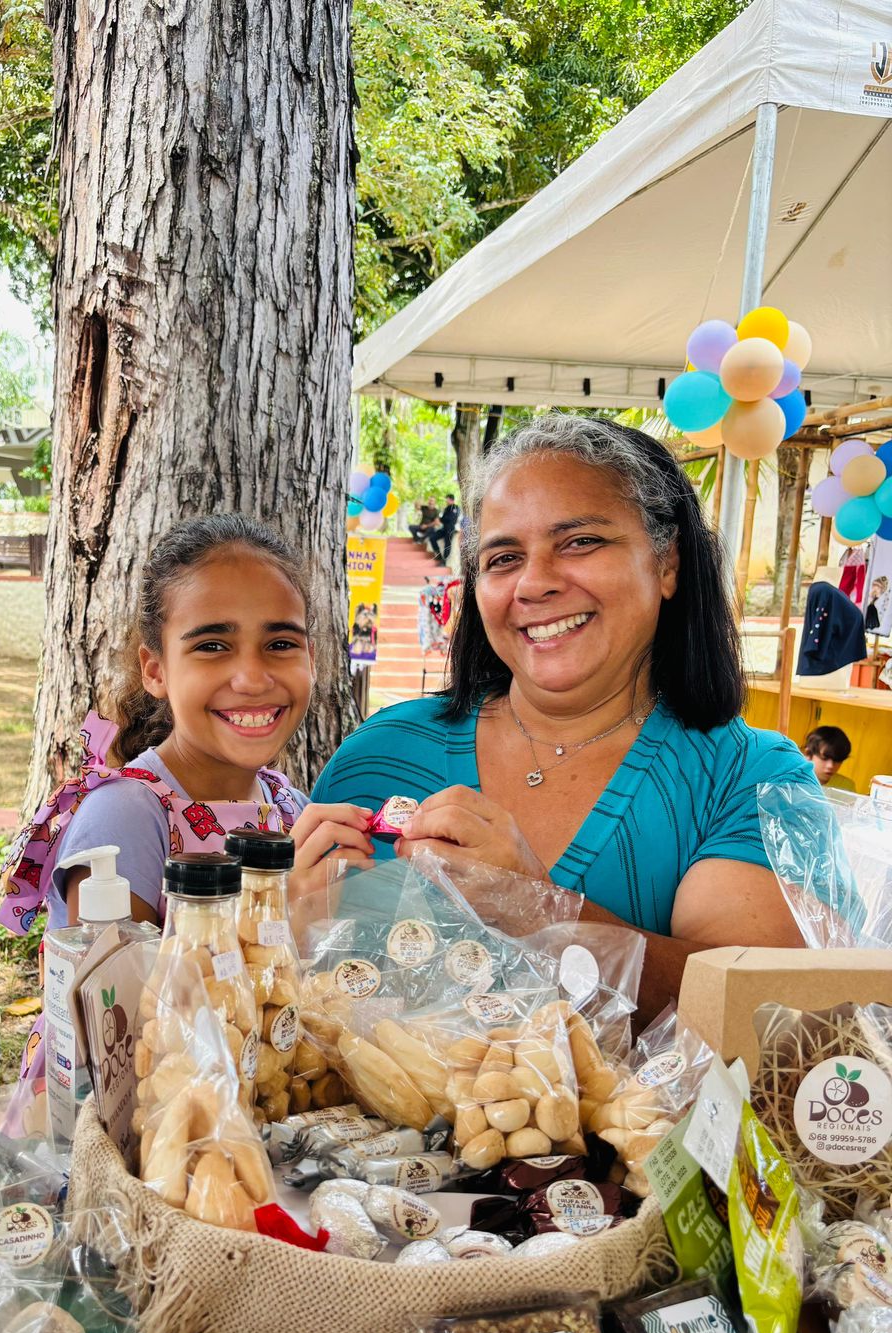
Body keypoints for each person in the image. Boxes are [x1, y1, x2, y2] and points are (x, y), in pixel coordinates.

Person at [313, 413, 823, 1020]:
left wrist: (539, 908)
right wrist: (278, 916)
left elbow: (766, 1018)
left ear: (667, 564)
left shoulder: (745, 779)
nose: (534, 583)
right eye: (503, 558)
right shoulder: (382, 754)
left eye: (580, 542)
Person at [0, 514, 373, 936]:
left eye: (281, 644)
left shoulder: (292, 810)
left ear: (312, 661)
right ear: (156, 671)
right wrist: (279, 924)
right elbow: (111, 1001)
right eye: (212, 646)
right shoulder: (125, 818)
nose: (252, 678)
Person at [803, 725, 856, 792]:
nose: (830, 766)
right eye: (824, 758)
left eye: (837, 760)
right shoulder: (790, 782)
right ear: (808, 753)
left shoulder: (847, 787)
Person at [429, 493, 461, 564]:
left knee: (447, 545)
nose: (446, 501)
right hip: (444, 529)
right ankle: (438, 555)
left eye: (446, 499)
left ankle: (444, 561)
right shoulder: (447, 508)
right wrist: (439, 519)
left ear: (450, 499)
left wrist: (440, 519)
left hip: (450, 529)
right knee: (432, 538)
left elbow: (451, 519)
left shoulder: (455, 507)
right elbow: (443, 519)